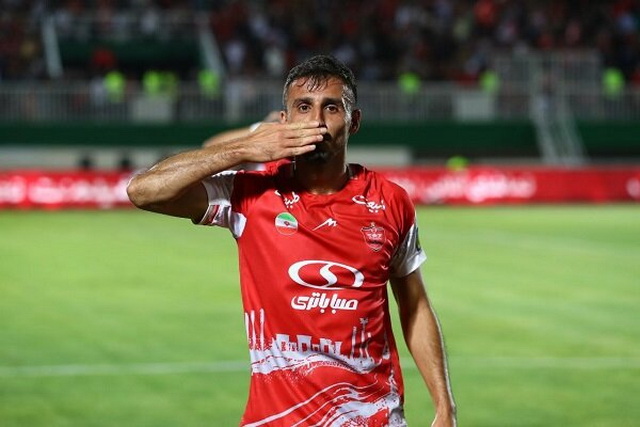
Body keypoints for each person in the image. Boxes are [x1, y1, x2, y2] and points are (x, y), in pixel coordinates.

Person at [127, 55, 456, 426]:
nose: (316, 121)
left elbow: (415, 305)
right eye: (303, 107)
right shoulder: (249, 195)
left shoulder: (390, 201)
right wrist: (245, 147)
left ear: (354, 121)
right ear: (283, 121)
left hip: (373, 417)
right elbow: (143, 191)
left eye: (331, 107)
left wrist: (445, 407)